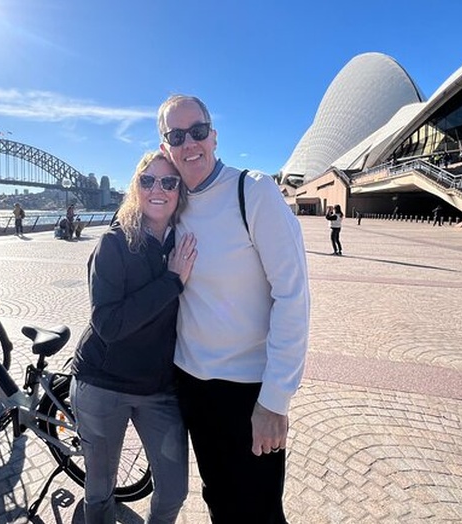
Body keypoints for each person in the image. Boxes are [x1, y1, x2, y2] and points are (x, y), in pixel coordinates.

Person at [157, 94, 310, 523]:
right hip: (191, 385)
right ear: (166, 148)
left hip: (247, 391)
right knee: (219, 500)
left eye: (198, 132)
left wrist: (275, 401)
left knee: (259, 510)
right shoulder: (173, 202)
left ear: (214, 136)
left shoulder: (253, 192)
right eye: (177, 136)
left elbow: (292, 296)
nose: (190, 144)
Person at [70, 150, 196, 524]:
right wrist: (170, 282)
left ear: (180, 191)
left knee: (174, 489)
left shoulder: (185, 242)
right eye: (148, 180)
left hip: (160, 389)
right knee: (100, 486)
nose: (158, 189)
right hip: (103, 385)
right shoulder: (114, 243)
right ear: (136, 188)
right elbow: (108, 324)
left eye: (169, 181)